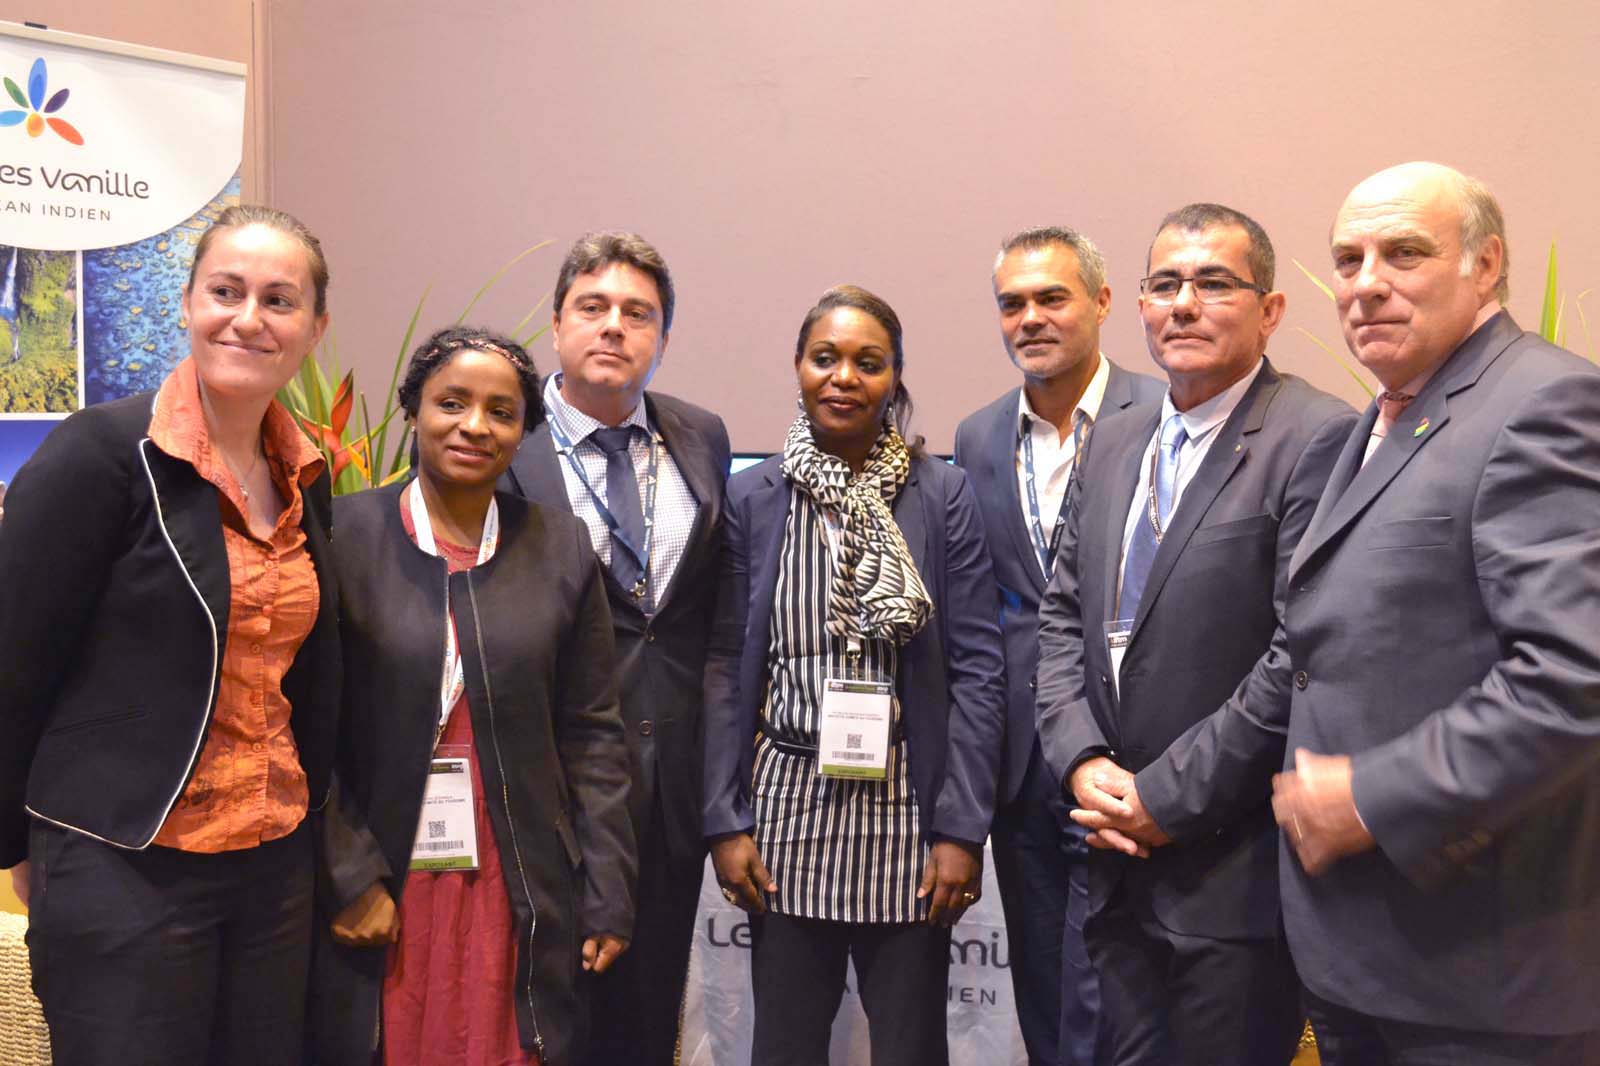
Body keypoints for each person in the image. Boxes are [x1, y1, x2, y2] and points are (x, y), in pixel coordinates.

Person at [1252, 163, 1600, 1062]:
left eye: (1403, 253)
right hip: (1364, 955)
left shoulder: (1544, 403)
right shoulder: (1376, 421)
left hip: (1480, 981)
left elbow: (1573, 679)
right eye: (1349, 259)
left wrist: (1370, 796)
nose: (1365, 283)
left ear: (1487, 266)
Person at [0, 204, 340, 1064]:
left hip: (271, 866)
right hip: (125, 864)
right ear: (187, 303)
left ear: (314, 328)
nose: (248, 318)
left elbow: (310, 671)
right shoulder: (101, 454)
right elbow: (13, 661)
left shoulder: (308, 473)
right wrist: (18, 852)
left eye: (279, 300)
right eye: (226, 291)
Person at [1033, 204, 1355, 1066]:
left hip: (1228, 880)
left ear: (1271, 310)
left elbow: (1300, 653)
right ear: (1135, 305)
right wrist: (1080, 759)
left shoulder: (1316, 436)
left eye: (1214, 283)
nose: (1184, 303)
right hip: (1107, 861)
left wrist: (1163, 801)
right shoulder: (1119, 435)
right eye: (1165, 284)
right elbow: (1062, 615)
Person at [309, 326, 636, 1066]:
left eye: (501, 411)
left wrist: (609, 884)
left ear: (524, 431)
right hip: (384, 868)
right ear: (413, 411)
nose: (475, 426)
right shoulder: (342, 533)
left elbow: (592, 733)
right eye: (451, 403)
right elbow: (301, 725)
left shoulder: (560, 546)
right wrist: (348, 875)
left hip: (514, 870)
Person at [704, 284, 1006, 1066]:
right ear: (798, 368)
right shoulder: (753, 495)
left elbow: (977, 668)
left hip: (907, 810)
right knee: (786, 1045)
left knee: (910, 1047)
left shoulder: (941, 495)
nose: (844, 377)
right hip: (784, 809)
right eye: (825, 358)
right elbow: (724, 668)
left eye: (868, 363)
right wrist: (726, 820)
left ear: (894, 379)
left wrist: (960, 829)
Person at [502, 231, 729, 1066]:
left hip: (667, 791)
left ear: (662, 339)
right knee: (542, 1025)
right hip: (545, 792)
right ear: (556, 327)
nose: (613, 328)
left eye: (639, 314)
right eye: (592, 308)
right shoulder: (502, 445)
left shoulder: (700, 436)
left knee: (644, 1024)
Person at [952, 226, 1164, 1066]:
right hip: (1019, 760)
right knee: (1042, 981)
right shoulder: (976, 437)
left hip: (1128, 754)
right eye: (1013, 303)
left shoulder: (1160, 415)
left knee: (1116, 989)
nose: (1030, 318)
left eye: (1052, 298)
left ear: (1103, 304)